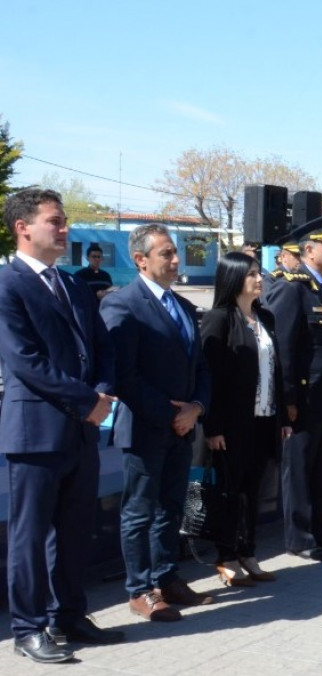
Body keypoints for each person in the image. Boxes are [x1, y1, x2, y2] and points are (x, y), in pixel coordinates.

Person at [0, 189, 121, 663]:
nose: (65, 228)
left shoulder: (71, 285)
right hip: (36, 431)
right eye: (56, 221)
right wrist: (88, 400)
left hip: (82, 427)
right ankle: (29, 628)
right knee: (30, 536)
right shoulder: (8, 285)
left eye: (65, 220)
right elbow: (25, 361)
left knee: (75, 529)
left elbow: (102, 346)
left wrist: (103, 393)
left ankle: (68, 614)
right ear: (23, 228)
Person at [101, 223, 213, 620]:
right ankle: (140, 589)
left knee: (171, 507)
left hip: (182, 428)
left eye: (175, 252)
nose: (176, 260)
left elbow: (201, 366)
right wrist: (172, 415)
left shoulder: (182, 306)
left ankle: (167, 577)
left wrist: (196, 407)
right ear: (140, 260)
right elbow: (124, 376)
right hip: (146, 428)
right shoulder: (122, 305)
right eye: (166, 253)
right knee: (139, 511)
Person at [262, 216, 322, 561]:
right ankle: (300, 540)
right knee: (300, 471)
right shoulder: (292, 289)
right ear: (309, 250)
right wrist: (287, 399)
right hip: (305, 399)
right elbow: (284, 350)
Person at [199, 252, 290, 585]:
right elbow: (211, 378)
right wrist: (213, 427)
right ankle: (224, 556)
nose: (258, 279)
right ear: (234, 278)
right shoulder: (219, 318)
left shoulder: (265, 317)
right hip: (231, 424)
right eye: (251, 274)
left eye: (258, 273)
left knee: (253, 490)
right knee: (229, 491)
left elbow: (275, 370)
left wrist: (282, 415)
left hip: (264, 418)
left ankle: (248, 551)